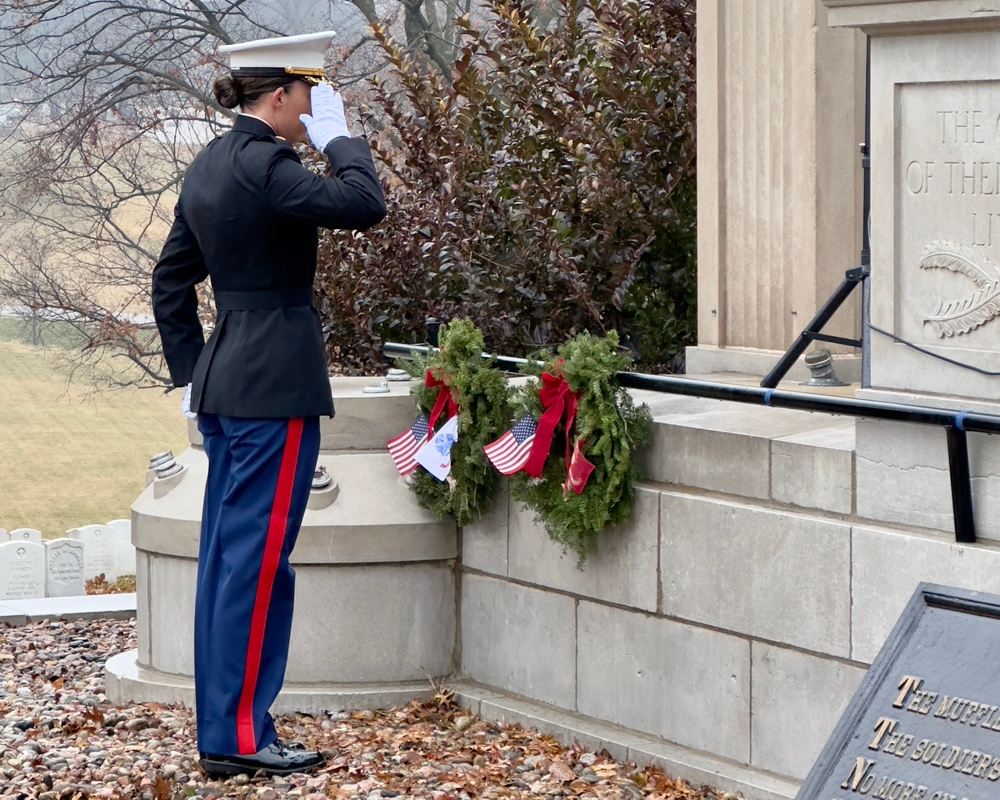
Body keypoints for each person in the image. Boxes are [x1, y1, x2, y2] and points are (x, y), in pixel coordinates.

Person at [151, 31, 386, 778]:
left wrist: (194, 372)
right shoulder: (267, 163)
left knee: (229, 559)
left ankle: (228, 725)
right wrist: (343, 140)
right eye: (310, 95)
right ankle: (241, 737)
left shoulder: (209, 164)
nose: (314, 107)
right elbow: (363, 204)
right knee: (255, 567)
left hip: (226, 384)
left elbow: (170, 283)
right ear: (279, 96)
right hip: (272, 386)